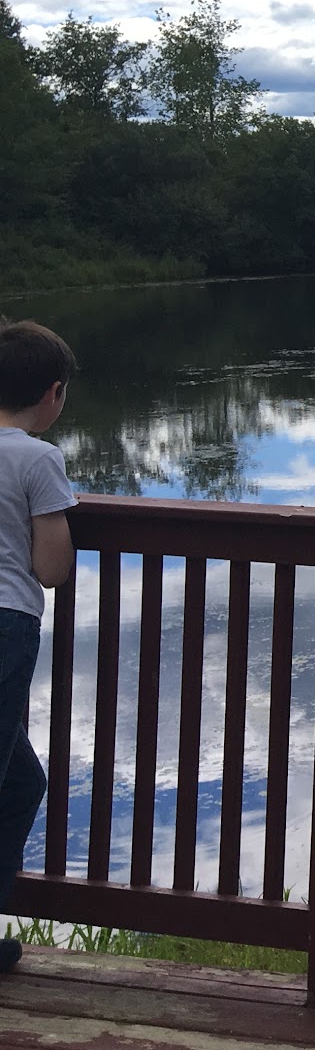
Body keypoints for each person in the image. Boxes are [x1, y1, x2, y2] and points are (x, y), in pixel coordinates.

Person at [0, 320, 77, 974]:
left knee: (23, 780)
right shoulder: (36, 458)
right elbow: (50, 568)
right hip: (6, 626)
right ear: (52, 394)